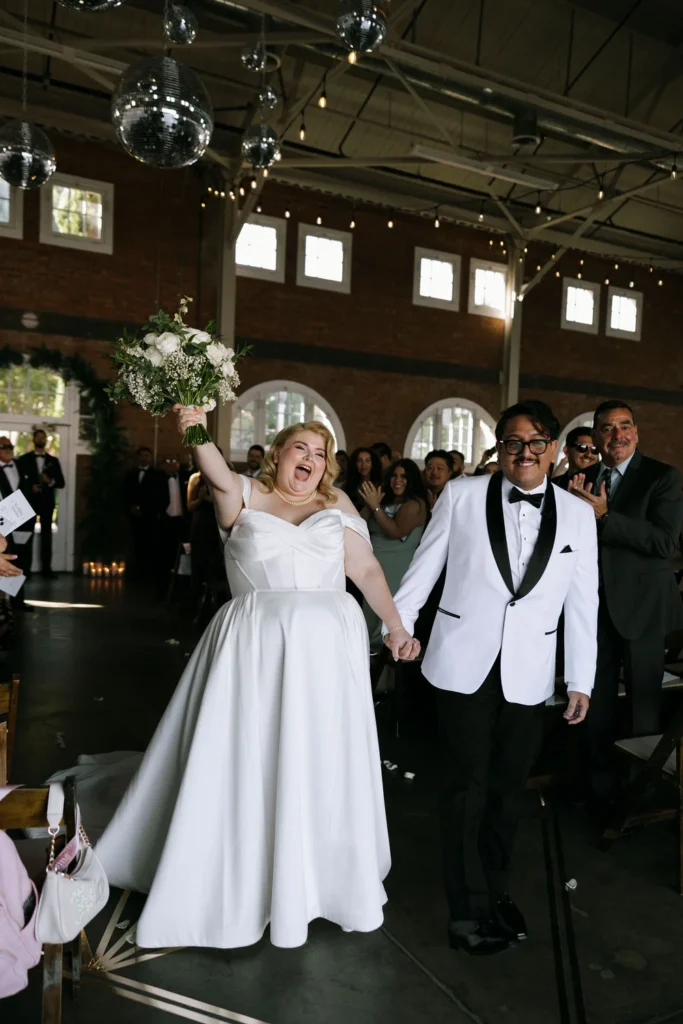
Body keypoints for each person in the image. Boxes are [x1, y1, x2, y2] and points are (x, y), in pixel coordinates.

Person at [97, 408, 420, 950]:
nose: (311, 461)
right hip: (253, 650)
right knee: (250, 755)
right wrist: (195, 423)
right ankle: (242, 875)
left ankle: (318, 879)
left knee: (317, 759)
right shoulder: (241, 493)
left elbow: (364, 570)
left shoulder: (337, 504)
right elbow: (216, 471)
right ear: (277, 454)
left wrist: (394, 626)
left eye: (321, 455)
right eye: (301, 449)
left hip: (325, 658)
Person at [387, 399, 599, 955]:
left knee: (508, 792)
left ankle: (496, 890)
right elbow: (423, 569)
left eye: (534, 443)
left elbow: (583, 603)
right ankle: (467, 911)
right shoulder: (460, 495)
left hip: (530, 675)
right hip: (462, 664)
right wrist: (397, 625)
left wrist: (581, 678)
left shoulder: (579, 515)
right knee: (466, 787)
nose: (523, 453)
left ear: (552, 449)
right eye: (511, 442)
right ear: (498, 446)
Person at [568, 400, 683, 801]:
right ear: (596, 437)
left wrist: (605, 517)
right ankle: (600, 793)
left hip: (643, 608)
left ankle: (642, 796)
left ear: (636, 432)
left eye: (625, 426)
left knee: (643, 707)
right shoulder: (578, 478)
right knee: (593, 703)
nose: (617, 435)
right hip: (591, 610)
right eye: (607, 428)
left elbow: (664, 542)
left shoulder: (662, 477)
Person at [358, 459, 429, 648]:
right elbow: (358, 524)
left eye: (404, 476)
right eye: (394, 476)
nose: (398, 480)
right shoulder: (382, 500)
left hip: (396, 571)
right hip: (372, 568)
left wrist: (375, 507)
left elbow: (396, 531)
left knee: (386, 619)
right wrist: (369, 504)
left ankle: (384, 670)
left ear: (412, 480)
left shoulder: (416, 504)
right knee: (369, 618)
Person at [18, 429, 65, 578]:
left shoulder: (53, 461)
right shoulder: (23, 459)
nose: (41, 440)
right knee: (27, 537)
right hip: (29, 503)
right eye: (38, 437)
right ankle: (26, 570)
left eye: (43, 438)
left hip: (46, 504)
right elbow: (17, 482)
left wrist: (49, 481)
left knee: (47, 536)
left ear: (45, 441)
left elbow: (61, 483)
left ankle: (47, 569)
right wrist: (30, 487)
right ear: (34, 440)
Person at [123, 447, 166, 581]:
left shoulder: (158, 474)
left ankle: (149, 575)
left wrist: (154, 510)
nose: (144, 458)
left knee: (151, 544)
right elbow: (126, 493)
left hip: (151, 516)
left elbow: (161, 495)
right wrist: (132, 507)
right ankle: (137, 574)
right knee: (136, 545)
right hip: (134, 516)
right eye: (141, 455)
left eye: (146, 455)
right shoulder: (131, 474)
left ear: (150, 457)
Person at [0, 437, 31, 578]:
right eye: (3, 447)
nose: (8, 450)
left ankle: (18, 598)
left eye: (10, 447)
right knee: (7, 561)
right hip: (3, 525)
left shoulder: (22, 465)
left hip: (23, 520)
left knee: (22, 559)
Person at [345, 447, 382, 514]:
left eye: (367, 460)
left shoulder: (380, 485)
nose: (363, 465)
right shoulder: (347, 485)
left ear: (373, 463)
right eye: (359, 461)